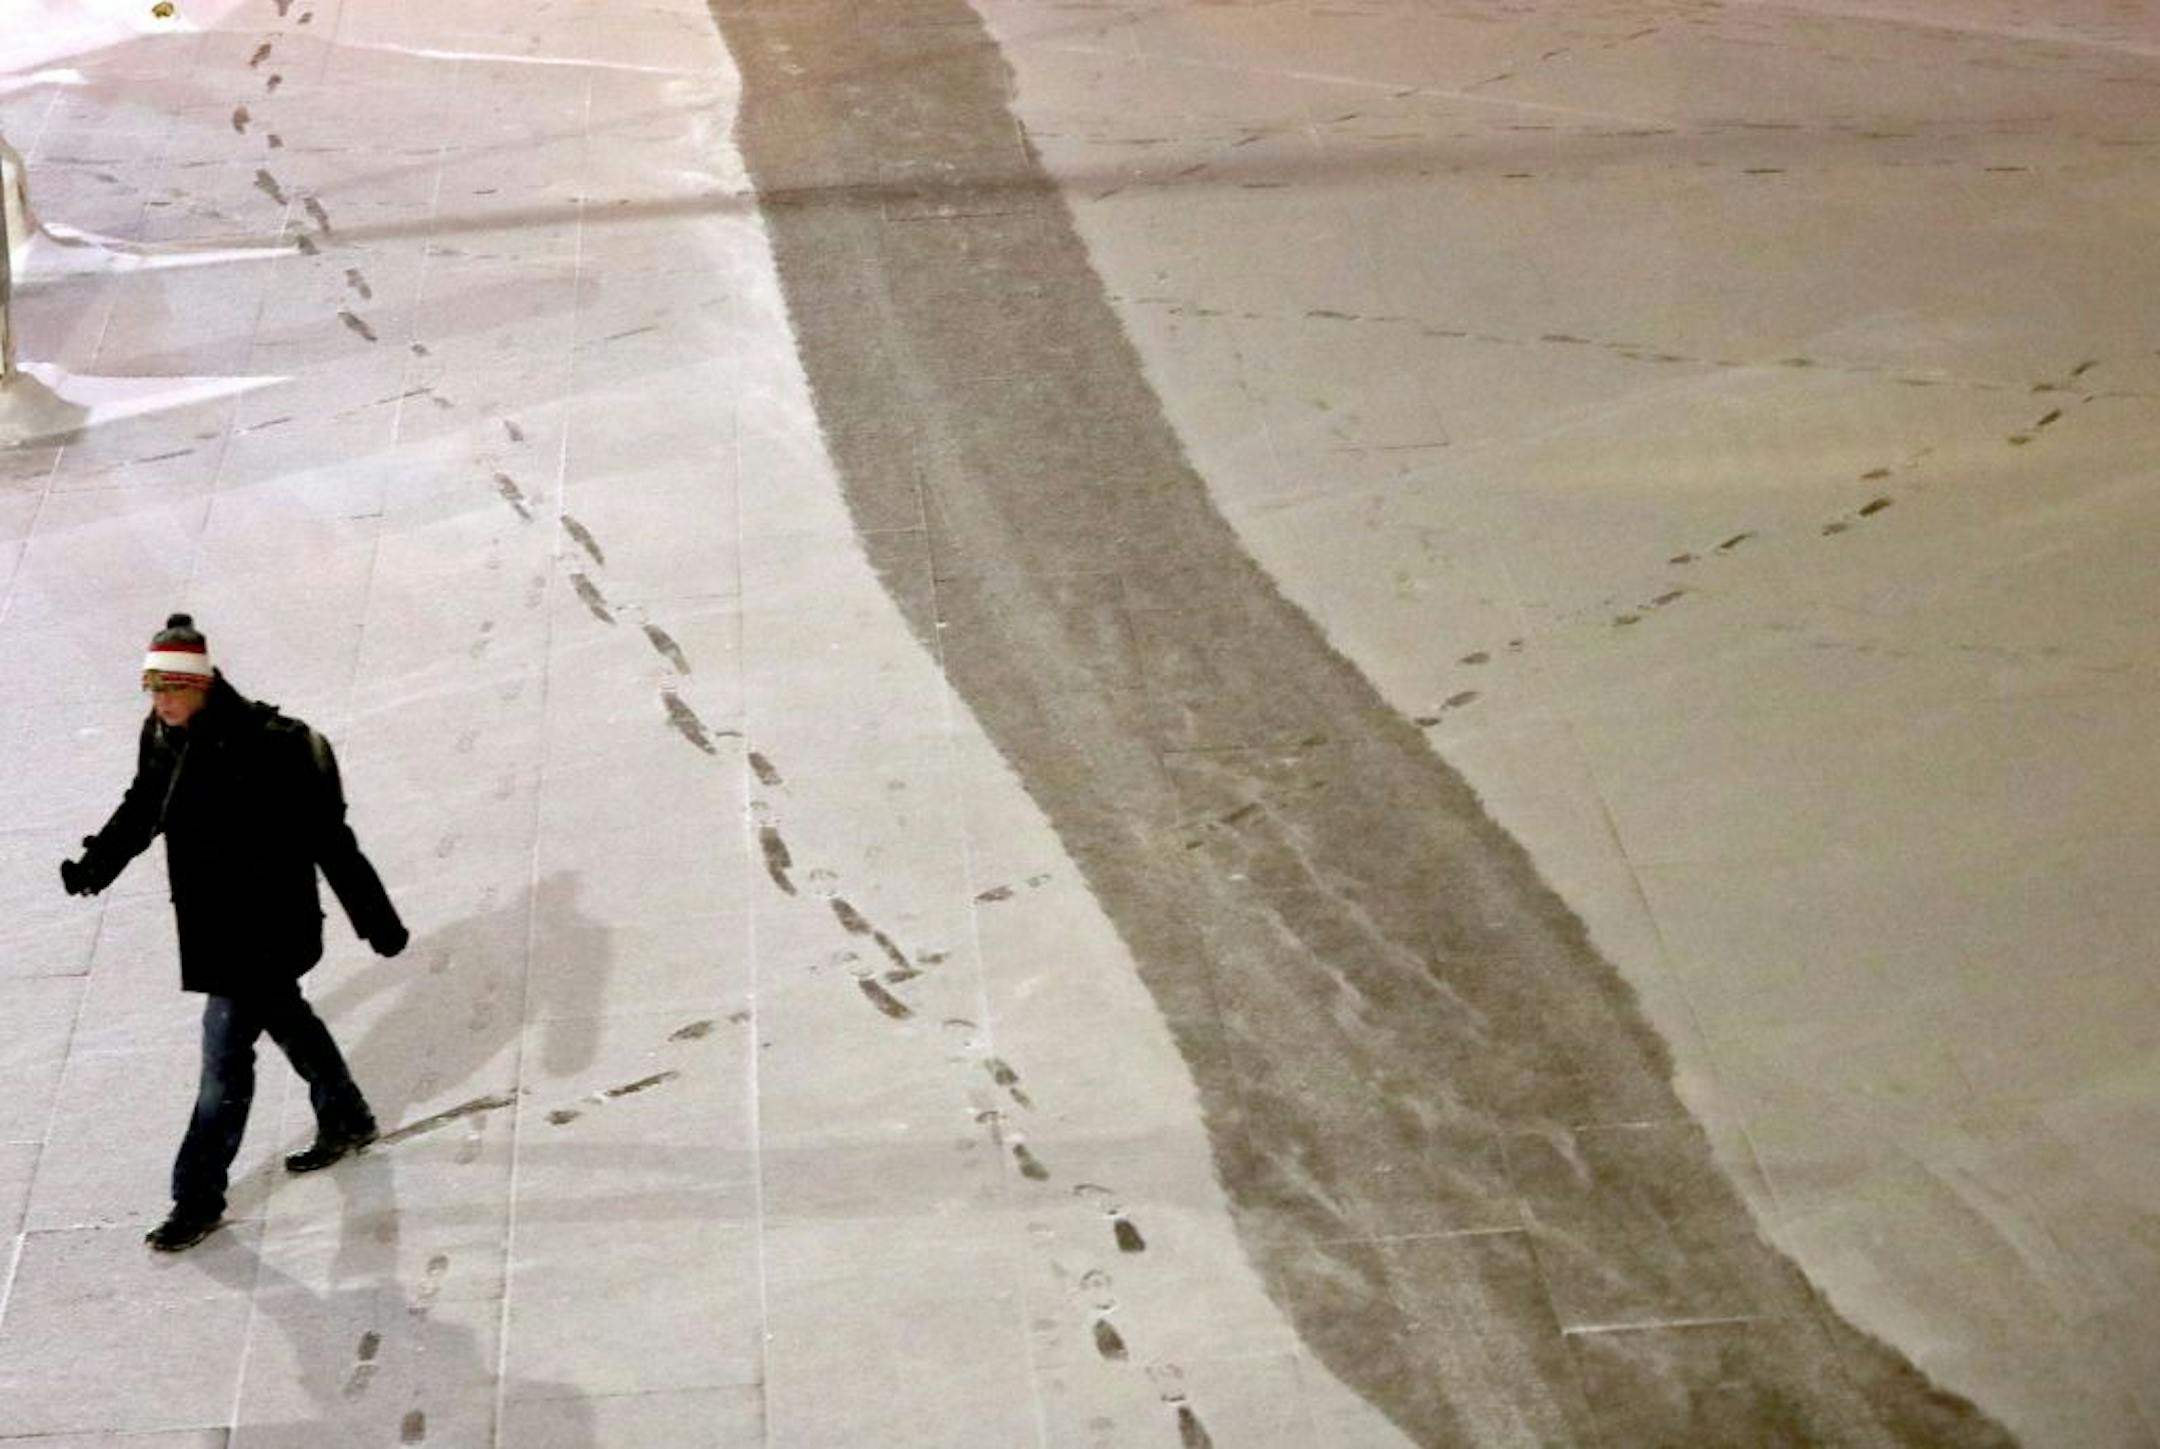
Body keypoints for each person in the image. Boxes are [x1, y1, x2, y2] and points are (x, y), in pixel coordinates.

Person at [60, 614, 409, 1252]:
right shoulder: (164, 735)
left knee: (223, 1064)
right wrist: (95, 866)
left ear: (202, 684)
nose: (160, 701)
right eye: (153, 689)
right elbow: (145, 805)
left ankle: (196, 1196)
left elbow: (331, 842)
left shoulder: (265, 746)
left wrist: (376, 920)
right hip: (218, 927)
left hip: (267, 929)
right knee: (289, 1019)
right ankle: (347, 1116)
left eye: (171, 688)